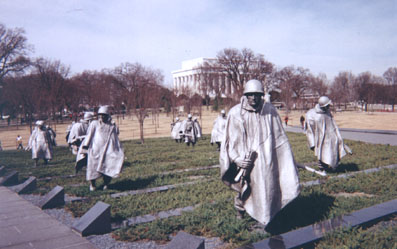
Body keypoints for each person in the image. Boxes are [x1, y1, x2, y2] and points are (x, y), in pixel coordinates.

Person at [220, 79, 300, 226]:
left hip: (266, 158)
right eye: (250, 95)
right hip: (245, 160)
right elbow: (230, 142)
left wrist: (287, 158)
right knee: (245, 187)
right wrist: (238, 159)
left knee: (267, 185)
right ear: (245, 95)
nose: (254, 98)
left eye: (257, 95)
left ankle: (266, 216)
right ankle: (240, 210)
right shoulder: (235, 113)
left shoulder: (269, 110)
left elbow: (280, 137)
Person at [81, 106, 124, 191]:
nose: (102, 117)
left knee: (107, 167)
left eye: (104, 115)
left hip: (107, 151)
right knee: (92, 168)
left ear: (107, 116)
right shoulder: (94, 124)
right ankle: (92, 185)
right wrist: (85, 147)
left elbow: (115, 136)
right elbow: (89, 135)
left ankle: (106, 184)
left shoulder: (111, 126)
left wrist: (117, 149)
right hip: (95, 150)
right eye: (100, 115)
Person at [305, 96, 352, 172]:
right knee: (322, 155)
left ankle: (334, 166)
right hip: (320, 139)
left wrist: (339, 139)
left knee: (334, 151)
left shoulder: (328, 112)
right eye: (327, 105)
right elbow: (309, 130)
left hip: (332, 137)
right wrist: (312, 143)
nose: (329, 107)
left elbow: (333, 125)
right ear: (323, 106)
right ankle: (323, 168)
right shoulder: (311, 114)